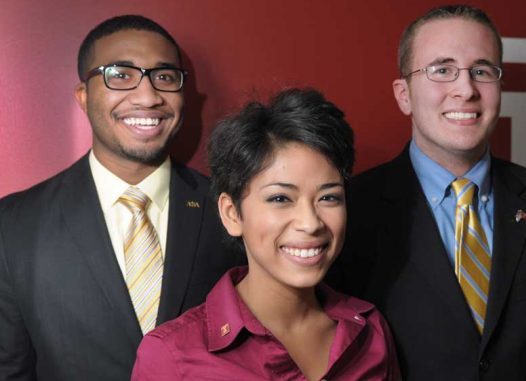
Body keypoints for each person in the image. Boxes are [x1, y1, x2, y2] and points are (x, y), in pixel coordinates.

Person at [329, 5, 526, 380]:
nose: (466, 89)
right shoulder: (352, 210)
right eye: (442, 70)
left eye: (482, 71)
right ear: (403, 94)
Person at [0, 15, 242, 381]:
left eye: (164, 77)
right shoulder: (14, 224)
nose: (147, 96)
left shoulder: (231, 211)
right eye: (120, 74)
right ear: (84, 96)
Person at [131, 88, 401, 380]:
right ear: (232, 213)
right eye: (280, 199)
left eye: (328, 198)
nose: (311, 223)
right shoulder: (172, 356)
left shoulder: (369, 330)